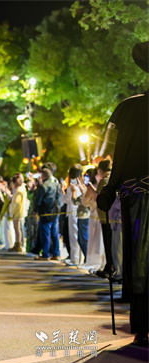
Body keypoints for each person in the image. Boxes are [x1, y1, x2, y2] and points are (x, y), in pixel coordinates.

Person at [97, 41, 148, 346]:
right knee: (140, 262)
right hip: (140, 196)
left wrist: (111, 188)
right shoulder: (132, 108)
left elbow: (121, 156)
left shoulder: (131, 108)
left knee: (140, 261)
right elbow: (121, 156)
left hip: (138, 197)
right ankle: (142, 325)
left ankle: (142, 326)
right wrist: (111, 187)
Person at [33, 167, 60, 261]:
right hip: (55, 211)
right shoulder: (56, 184)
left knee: (45, 234)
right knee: (55, 233)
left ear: (43, 176)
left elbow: (38, 200)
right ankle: (56, 253)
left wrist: (36, 209)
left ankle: (46, 254)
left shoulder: (43, 186)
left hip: (45, 211)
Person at [8, 173, 27, 253]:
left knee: (17, 229)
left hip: (18, 212)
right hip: (19, 212)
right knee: (17, 229)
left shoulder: (19, 191)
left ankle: (18, 244)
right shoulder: (22, 189)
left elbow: (16, 203)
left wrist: (12, 211)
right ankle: (17, 244)